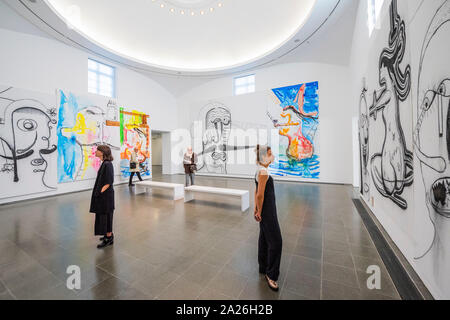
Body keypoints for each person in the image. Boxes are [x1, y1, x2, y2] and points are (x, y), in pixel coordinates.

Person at [254, 144, 282, 291]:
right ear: (264, 156)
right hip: (268, 211)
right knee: (276, 241)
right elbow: (259, 194)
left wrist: (256, 209)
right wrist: (259, 211)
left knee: (264, 238)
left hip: (263, 210)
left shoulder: (259, 170)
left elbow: (256, 191)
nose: (273, 156)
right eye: (270, 154)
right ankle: (271, 275)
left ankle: (263, 267)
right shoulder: (263, 172)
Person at [90, 145, 115, 249]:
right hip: (104, 196)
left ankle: (109, 238)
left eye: (98, 150)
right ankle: (107, 234)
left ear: (103, 152)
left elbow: (108, 182)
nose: (96, 152)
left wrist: (100, 192)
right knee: (104, 216)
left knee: (107, 216)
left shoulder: (107, 164)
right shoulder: (104, 163)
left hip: (106, 197)